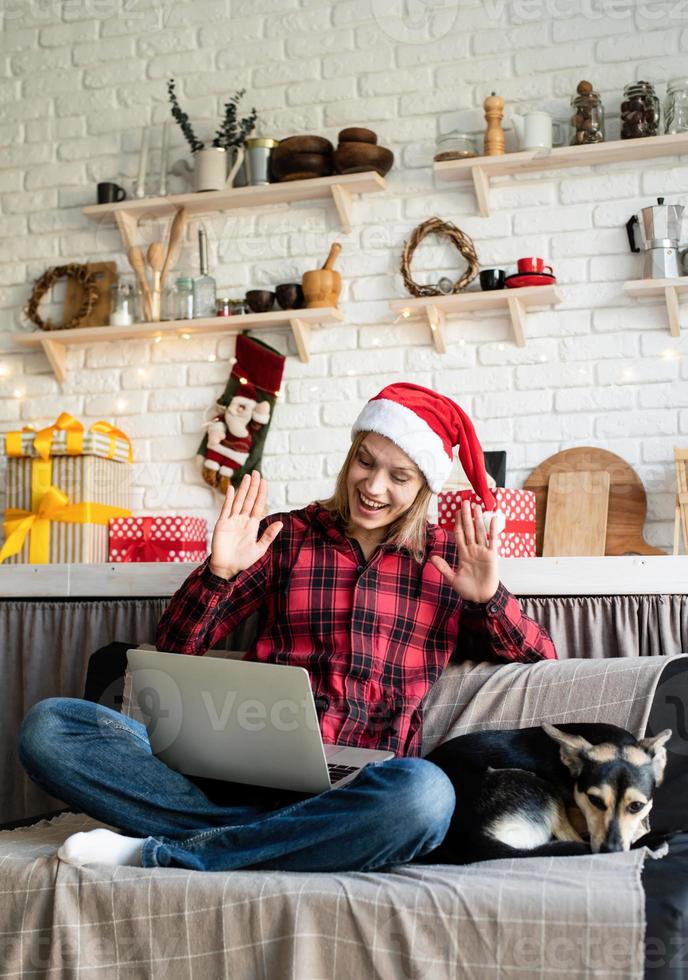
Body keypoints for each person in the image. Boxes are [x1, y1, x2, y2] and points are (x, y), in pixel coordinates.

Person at [17, 383, 556, 873]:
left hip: (356, 793)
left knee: (425, 797)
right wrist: (219, 572)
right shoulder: (290, 536)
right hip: (239, 774)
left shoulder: (448, 560)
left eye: (398, 476)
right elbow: (177, 647)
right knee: (51, 726)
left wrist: (488, 601)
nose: (372, 486)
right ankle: (273, 842)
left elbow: (543, 667)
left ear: (422, 487)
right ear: (350, 457)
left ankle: (167, 851)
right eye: (365, 463)